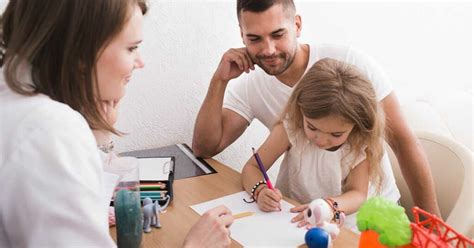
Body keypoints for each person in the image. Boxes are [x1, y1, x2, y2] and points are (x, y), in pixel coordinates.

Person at [0, 1, 232, 247]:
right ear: (82, 49)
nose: (139, 62)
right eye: (131, 48)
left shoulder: (15, 99)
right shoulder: (51, 131)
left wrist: (96, 134)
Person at [192, 0, 440, 216]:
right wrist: (219, 80)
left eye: (278, 34)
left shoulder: (349, 65)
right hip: (299, 215)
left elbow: (403, 142)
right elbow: (204, 148)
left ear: (297, 25)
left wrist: (433, 226)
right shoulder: (255, 87)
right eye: (255, 39)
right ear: (242, 35)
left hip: (369, 216)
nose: (268, 49)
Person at [241, 58, 398, 231]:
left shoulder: (358, 143)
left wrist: (328, 206)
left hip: (338, 226)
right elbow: (252, 168)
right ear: (300, 110)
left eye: (336, 134)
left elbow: (357, 194)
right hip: (290, 218)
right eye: (312, 127)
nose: (321, 140)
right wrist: (260, 190)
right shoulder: (292, 128)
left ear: (357, 126)